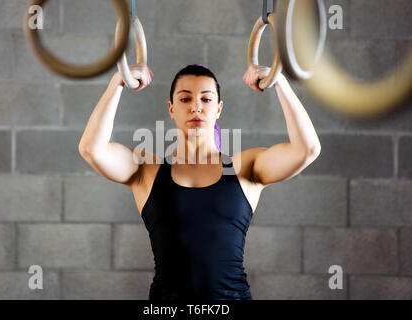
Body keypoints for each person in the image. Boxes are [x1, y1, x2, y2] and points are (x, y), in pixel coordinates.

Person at [78, 62, 321, 300]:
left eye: (206, 99)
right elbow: (92, 149)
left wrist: (279, 81)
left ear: (218, 109)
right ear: (171, 109)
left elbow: (307, 150)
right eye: (185, 99)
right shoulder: (146, 170)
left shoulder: (245, 168)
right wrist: (118, 81)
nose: (196, 107)